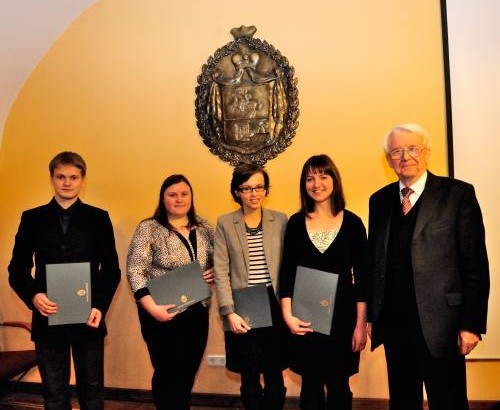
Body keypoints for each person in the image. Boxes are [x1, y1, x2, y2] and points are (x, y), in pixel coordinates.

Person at [367, 123, 490, 410]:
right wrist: (373, 316)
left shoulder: (457, 195)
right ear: (388, 160)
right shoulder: (380, 200)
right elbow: (376, 262)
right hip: (396, 326)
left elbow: (475, 264)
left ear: (426, 153)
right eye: (396, 151)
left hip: (443, 326)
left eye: (412, 149)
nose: (405, 156)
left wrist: (471, 324)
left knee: (448, 402)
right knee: (403, 401)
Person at [8, 151, 121, 410]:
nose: (67, 182)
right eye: (61, 176)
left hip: (89, 317)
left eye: (73, 177)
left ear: (83, 180)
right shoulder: (32, 218)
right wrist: (34, 296)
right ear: (52, 179)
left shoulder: (98, 218)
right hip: (48, 316)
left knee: (92, 392)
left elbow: (111, 270)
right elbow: (17, 269)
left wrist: (99, 306)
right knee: (54, 392)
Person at [279, 154, 368, 410]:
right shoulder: (295, 223)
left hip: (343, 318)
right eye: (310, 178)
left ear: (334, 180)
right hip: (306, 318)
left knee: (339, 384)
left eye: (323, 176)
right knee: (311, 384)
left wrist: (361, 325)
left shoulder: (352, 223)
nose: (316, 183)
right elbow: (287, 272)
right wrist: (288, 315)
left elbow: (363, 277)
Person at [126, 174, 214, 410]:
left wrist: (214, 271)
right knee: (167, 374)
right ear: (163, 199)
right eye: (172, 194)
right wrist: (151, 308)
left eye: (184, 194)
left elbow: (219, 260)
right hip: (161, 312)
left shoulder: (205, 227)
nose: (179, 199)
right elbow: (135, 270)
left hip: (197, 313)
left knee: (187, 374)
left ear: (191, 196)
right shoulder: (149, 228)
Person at [214, 163, 288, 410]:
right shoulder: (225, 223)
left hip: (274, 303)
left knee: (275, 374)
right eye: (246, 188)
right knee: (249, 377)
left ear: (266, 190)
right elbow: (221, 270)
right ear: (236, 191)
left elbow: (290, 265)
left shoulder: (280, 220)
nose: (253, 193)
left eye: (259, 187)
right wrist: (228, 311)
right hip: (242, 306)